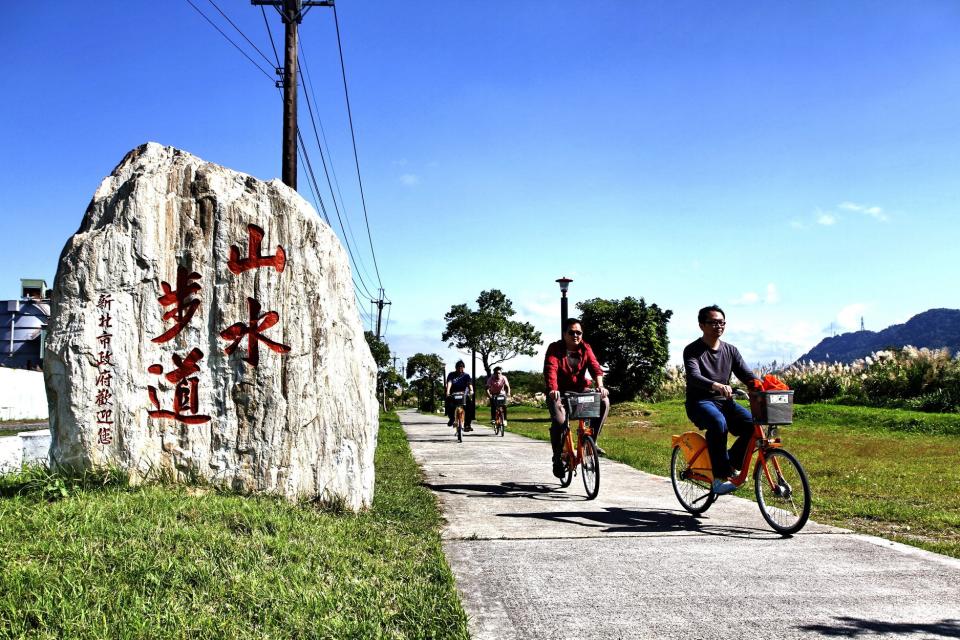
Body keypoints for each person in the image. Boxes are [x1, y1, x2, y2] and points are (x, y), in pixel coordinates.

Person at [683, 305, 760, 495]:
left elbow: (746, 374)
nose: (719, 326)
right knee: (718, 423)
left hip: (725, 401)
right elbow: (693, 376)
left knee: (752, 425)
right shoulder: (692, 350)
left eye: (722, 322)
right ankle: (718, 478)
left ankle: (729, 463)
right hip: (699, 402)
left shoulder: (730, 350)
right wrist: (715, 385)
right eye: (713, 322)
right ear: (702, 325)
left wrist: (763, 385)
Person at [543, 317, 610, 479]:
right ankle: (558, 456)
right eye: (571, 332)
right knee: (559, 422)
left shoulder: (585, 348)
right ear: (564, 334)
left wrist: (600, 386)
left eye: (578, 332)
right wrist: (553, 389)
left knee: (604, 401)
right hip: (559, 392)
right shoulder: (555, 348)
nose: (575, 336)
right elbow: (550, 369)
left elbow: (595, 367)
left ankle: (591, 442)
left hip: (580, 390)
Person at [445, 360, 475, 431]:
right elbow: (449, 383)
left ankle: (467, 424)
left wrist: (471, 390)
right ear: (456, 368)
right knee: (449, 404)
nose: (460, 369)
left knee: (469, 407)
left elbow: (469, 384)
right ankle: (452, 418)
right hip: (453, 394)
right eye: (459, 367)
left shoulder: (466, 376)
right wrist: (448, 392)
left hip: (463, 394)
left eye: (462, 367)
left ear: (464, 368)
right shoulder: (451, 375)